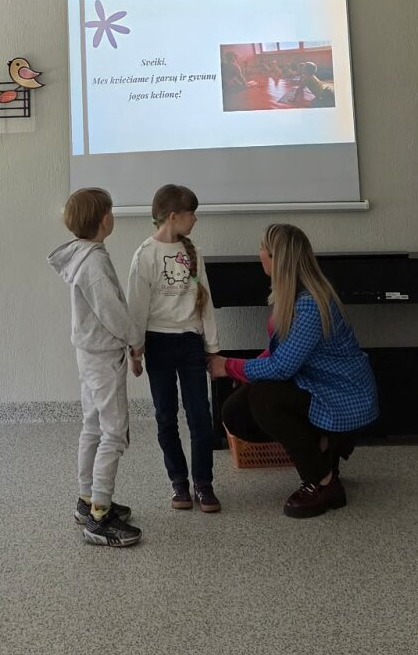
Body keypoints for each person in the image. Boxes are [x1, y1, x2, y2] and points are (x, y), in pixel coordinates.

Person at [210, 223, 377, 518]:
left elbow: (282, 366)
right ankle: (324, 448)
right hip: (317, 385)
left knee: (263, 398)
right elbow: (282, 350)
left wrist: (228, 367)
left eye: (263, 248)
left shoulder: (310, 304)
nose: (259, 254)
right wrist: (246, 372)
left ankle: (323, 482)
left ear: (278, 259)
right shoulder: (293, 295)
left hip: (342, 397)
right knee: (236, 410)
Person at [48, 187, 142, 547]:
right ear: (104, 220)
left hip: (89, 353)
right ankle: (99, 518)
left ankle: (87, 500)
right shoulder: (94, 263)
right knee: (113, 432)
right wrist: (136, 340)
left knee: (92, 426)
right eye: (111, 211)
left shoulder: (82, 255)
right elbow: (112, 311)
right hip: (104, 356)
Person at [127, 184, 222, 513]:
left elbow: (205, 304)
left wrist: (213, 349)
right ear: (173, 216)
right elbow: (137, 308)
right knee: (166, 416)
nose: (195, 219)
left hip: (191, 342)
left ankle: (203, 483)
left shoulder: (194, 253)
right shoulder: (145, 255)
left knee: (200, 416)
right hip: (158, 343)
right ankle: (179, 482)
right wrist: (136, 351)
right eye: (191, 213)